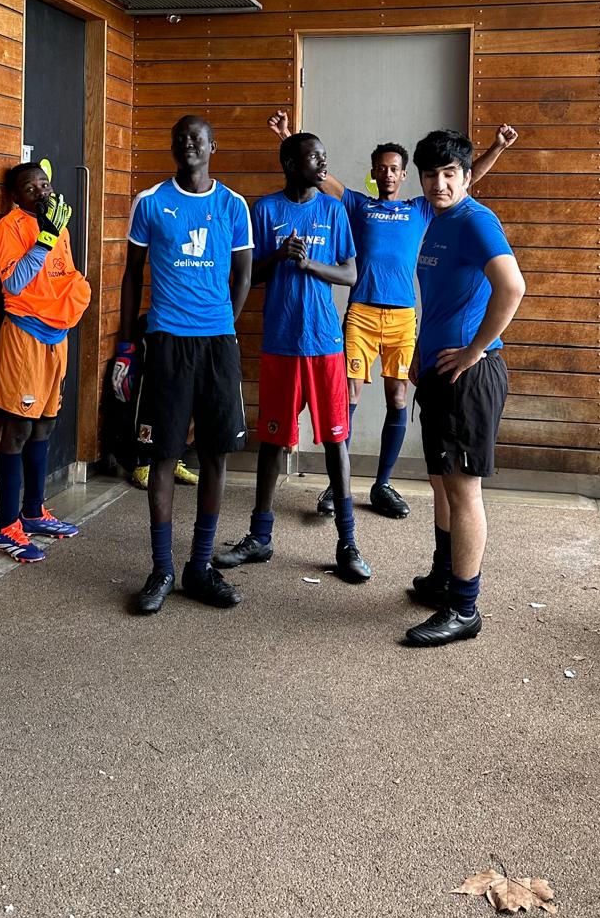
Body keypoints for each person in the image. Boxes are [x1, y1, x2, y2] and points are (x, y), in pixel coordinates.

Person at [267, 111, 516, 519]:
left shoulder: (422, 208)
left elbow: (467, 179)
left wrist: (498, 149)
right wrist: (289, 135)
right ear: (373, 174)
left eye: (395, 169)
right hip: (361, 314)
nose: (388, 175)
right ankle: (338, 483)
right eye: (381, 169)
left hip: (403, 319)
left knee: (398, 397)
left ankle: (383, 484)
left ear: (404, 176)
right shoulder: (358, 205)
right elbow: (318, 176)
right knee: (346, 397)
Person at [214, 131, 371, 584]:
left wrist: (309, 266)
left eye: (325, 155)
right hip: (280, 343)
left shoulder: (333, 208)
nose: (323, 163)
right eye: (314, 157)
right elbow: (247, 275)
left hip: (325, 345)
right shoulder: (264, 211)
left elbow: (349, 272)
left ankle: (348, 543)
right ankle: (259, 538)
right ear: (289, 163)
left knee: (336, 442)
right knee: (272, 441)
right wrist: (281, 256)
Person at [113, 114, 253, 615]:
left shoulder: (233, 205)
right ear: (172, 147)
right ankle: (162, 569)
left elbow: (242, 276)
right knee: (162, 455)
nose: (189, 144)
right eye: (180, 138)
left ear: (213, 146)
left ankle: (198, 566)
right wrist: (128, 345)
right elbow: (131, 276)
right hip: (165, 344)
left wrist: (222, 326)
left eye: (198, 138)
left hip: (217, 344)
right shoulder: (151, 203)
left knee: (215, 454)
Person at [404, 129, 526, 648]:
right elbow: (436, 300)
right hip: (438, 371)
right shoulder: (437, 221)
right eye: (430, 174)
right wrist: (417, 354)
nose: (439, 183)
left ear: (466, 176)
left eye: (449, 173)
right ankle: (442, 576)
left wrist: (476, 350)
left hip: (468, 377)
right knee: (440, 480)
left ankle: (464, 607)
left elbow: (512, 286)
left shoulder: (476, 221)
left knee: (463, 488)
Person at [0, 160, 92, 561]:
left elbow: (65, 275)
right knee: (18, 427)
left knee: (46, 423)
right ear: (15, 196)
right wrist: (43, 240)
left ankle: (33, 512)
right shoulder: (8, 228)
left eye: (44, 185)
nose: (41, 193)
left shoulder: (58, 222)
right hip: (25, 333)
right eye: (31, 189)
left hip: (57, 334)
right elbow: (14, 282)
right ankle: (6, 526)